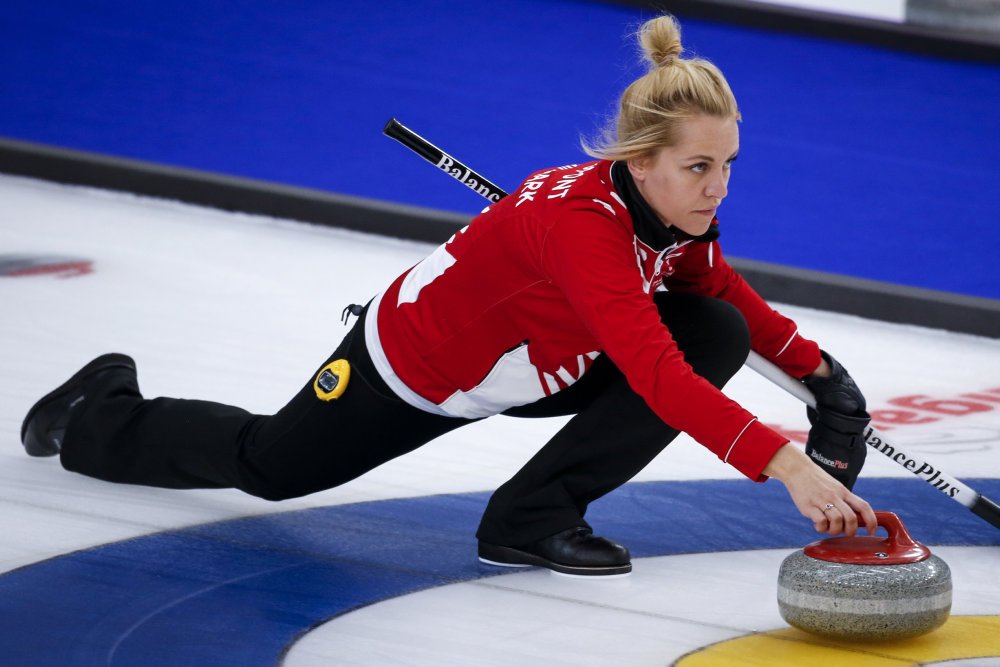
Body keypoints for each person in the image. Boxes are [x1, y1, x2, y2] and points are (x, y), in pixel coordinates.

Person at [20, 14, 876, 577]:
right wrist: (788, 462)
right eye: (700, 166)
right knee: (272, 468)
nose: (718, 186)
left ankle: (529, 518)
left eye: (728, 165)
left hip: (537, 360)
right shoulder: (585, 228)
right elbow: (652, 368)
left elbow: (713, 289)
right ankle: (101, 410)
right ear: (638, 159)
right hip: (420, 365)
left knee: (715, 328)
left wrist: (822, 376)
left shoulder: (670, 210)